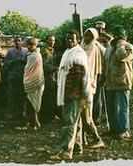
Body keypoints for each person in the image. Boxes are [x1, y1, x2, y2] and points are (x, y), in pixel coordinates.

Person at [54, 30, 89, 160]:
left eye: (72, 39)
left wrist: (80, 96)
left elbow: (80, 78)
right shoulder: (68, 52)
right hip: (68, 93)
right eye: (67, 39)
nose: (69, 41)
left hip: (73, 94)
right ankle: (77, 147)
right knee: (76, 122)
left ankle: (65, 151)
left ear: (78, 40)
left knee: (69, 123)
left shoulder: (78, 55)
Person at [104, 26, 133, 140]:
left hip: (123, 82)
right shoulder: (109, 47)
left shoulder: (128, 46)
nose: (117, 37)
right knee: (110, 108)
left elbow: (121, 55)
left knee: (122, 107)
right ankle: (113, 129)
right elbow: (106, 62)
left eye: (120, 35)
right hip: (110, 81)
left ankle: (124, 130)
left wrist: (121, 43)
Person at [81, 28, 106, 148]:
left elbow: (107, 54)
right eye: (86, 35)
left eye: (90, 36)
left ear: (94, 37)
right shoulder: (81, 46)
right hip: (78, 83)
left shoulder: (96, 48)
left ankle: (97, 139)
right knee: (80, 115)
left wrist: (103, 76)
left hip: (89, 83)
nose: (87, 38)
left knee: (87, 116)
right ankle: (83, 139)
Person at [3, 37, 28, 120]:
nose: (17, 42)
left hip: (23, 77)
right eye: (16, 41)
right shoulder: (10, 51)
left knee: (22, 96)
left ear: (22, 42)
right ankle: (12, 114)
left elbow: (29, 62)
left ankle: (22, 114)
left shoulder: (26, 51)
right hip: (13, 77)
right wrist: (14, 61)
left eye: (19, 41)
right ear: (14, 42)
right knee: (12, 96)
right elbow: (6, 63)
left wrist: (23, 61)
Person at [23, 38, 45, 130]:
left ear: (35, 46)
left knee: (34, 104)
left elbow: (34, 70)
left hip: (36, 82)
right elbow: (27, 69)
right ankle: (33, 123)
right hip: (30, 82)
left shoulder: (35, 56)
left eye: (32, 45)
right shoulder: (29, 55)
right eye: (28, 45)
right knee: (30, 103)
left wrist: (28, 79)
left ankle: (35, 123)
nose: (29, 47)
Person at [40, 35, 59, 122]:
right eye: (50, 40)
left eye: (53, 40)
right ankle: (46, 117)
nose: (52, 42)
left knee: (52, 97)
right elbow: (43, 65)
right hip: (46, 77)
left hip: (53, 77)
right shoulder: (44, 51)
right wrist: (55, 68)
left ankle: (52, 115)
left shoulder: (53, 51)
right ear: (46, 41)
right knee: (47, 97)